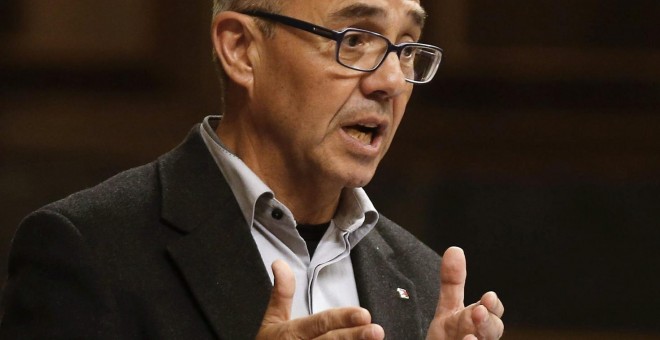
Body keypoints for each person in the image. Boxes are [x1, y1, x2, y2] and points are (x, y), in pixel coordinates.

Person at [0, 0, 504, 338]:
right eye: (356, 40)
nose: (392, 81)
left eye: (407, 48)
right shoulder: (87, 249)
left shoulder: (422, 279)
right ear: (241, 49)